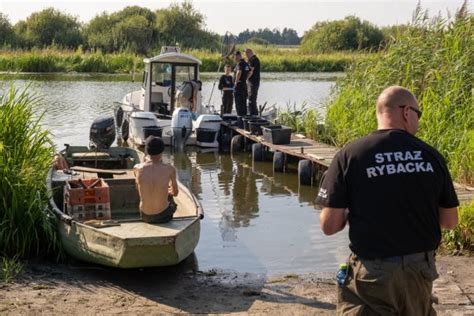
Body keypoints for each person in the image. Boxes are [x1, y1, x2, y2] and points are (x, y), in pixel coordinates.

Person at [316, 86, 459, 315]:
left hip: (373, 271)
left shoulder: (350, 154)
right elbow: (450, 220)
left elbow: (329, 226)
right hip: (419, 270)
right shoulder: (431, 156)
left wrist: (348, 214)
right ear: (405, 112)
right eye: (418, 114)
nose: (418, 121)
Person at [133, 136, 179, 223]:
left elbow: (138, 187)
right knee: (170, 196)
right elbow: (175, 193)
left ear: (147, 150)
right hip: (163, 216)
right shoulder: (170, 169)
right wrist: (168, 192)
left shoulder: (137, 168)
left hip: (144, 215)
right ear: (162, 151)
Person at [233, 51, 250, 117]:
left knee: (239, 104)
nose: (235, 58)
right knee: (244, 104)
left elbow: (239, 72)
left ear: (238, 56)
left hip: (239, 86)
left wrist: (236, 82)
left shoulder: (240, 63)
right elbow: (250, 72)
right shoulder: (245, 63)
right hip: (244, 85)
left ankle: (240, 119)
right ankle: (244, 119)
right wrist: (245, 79)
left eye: (235, 56)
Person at [245, 48, 261, 116]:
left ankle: (254, 114)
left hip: (254, 82)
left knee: (252, 98)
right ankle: (251, 113)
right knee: (250, 98)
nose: (246, 55)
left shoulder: (254, 60)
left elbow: (251, 71)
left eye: (246, 54)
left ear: (250, 53)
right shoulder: (250, 60)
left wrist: (245, 79)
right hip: (250, 82)